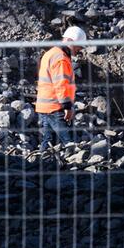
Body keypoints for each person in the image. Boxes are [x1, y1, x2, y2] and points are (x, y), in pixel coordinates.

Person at [35, 25, 87, 153]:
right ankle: (75, 163)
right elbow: (61, 84)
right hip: (55, 106)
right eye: (79, 46)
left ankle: (42, 164)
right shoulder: (61, 58)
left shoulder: (51, 53)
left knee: (47, 140)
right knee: (68, 142)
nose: (79, 49)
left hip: (44, 106)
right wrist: (67, 107)